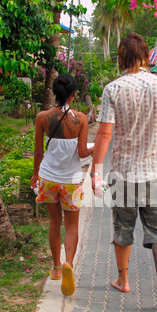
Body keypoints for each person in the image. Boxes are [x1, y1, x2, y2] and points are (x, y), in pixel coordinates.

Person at [90, 33, 157, 310]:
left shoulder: (113, 89)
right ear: (146, 57)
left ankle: (124, 281)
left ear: (120, 57)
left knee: (122, 231)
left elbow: (105, 134)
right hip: (156, 172)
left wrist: (96, 172)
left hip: (122, 175)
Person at [31, 74, 94, 296]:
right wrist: (99, 147)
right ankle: (68, 263)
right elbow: (83, 152)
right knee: (72, 226)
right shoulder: (81, 118)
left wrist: (34, 175)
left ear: (55, 93)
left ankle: (56, 269)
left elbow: (39, 152)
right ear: (74, 95)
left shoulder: (42, 117)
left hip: (48, 178)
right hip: (71, 182)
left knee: (54, 222)